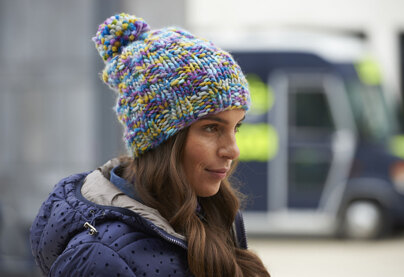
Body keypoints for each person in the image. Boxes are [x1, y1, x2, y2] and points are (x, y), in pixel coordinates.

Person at [30, 13, 270, 277]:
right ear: (161, 139)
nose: (233, 150)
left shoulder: (217, 215)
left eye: (236, 127)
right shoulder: (100, 258)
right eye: (212, 128)